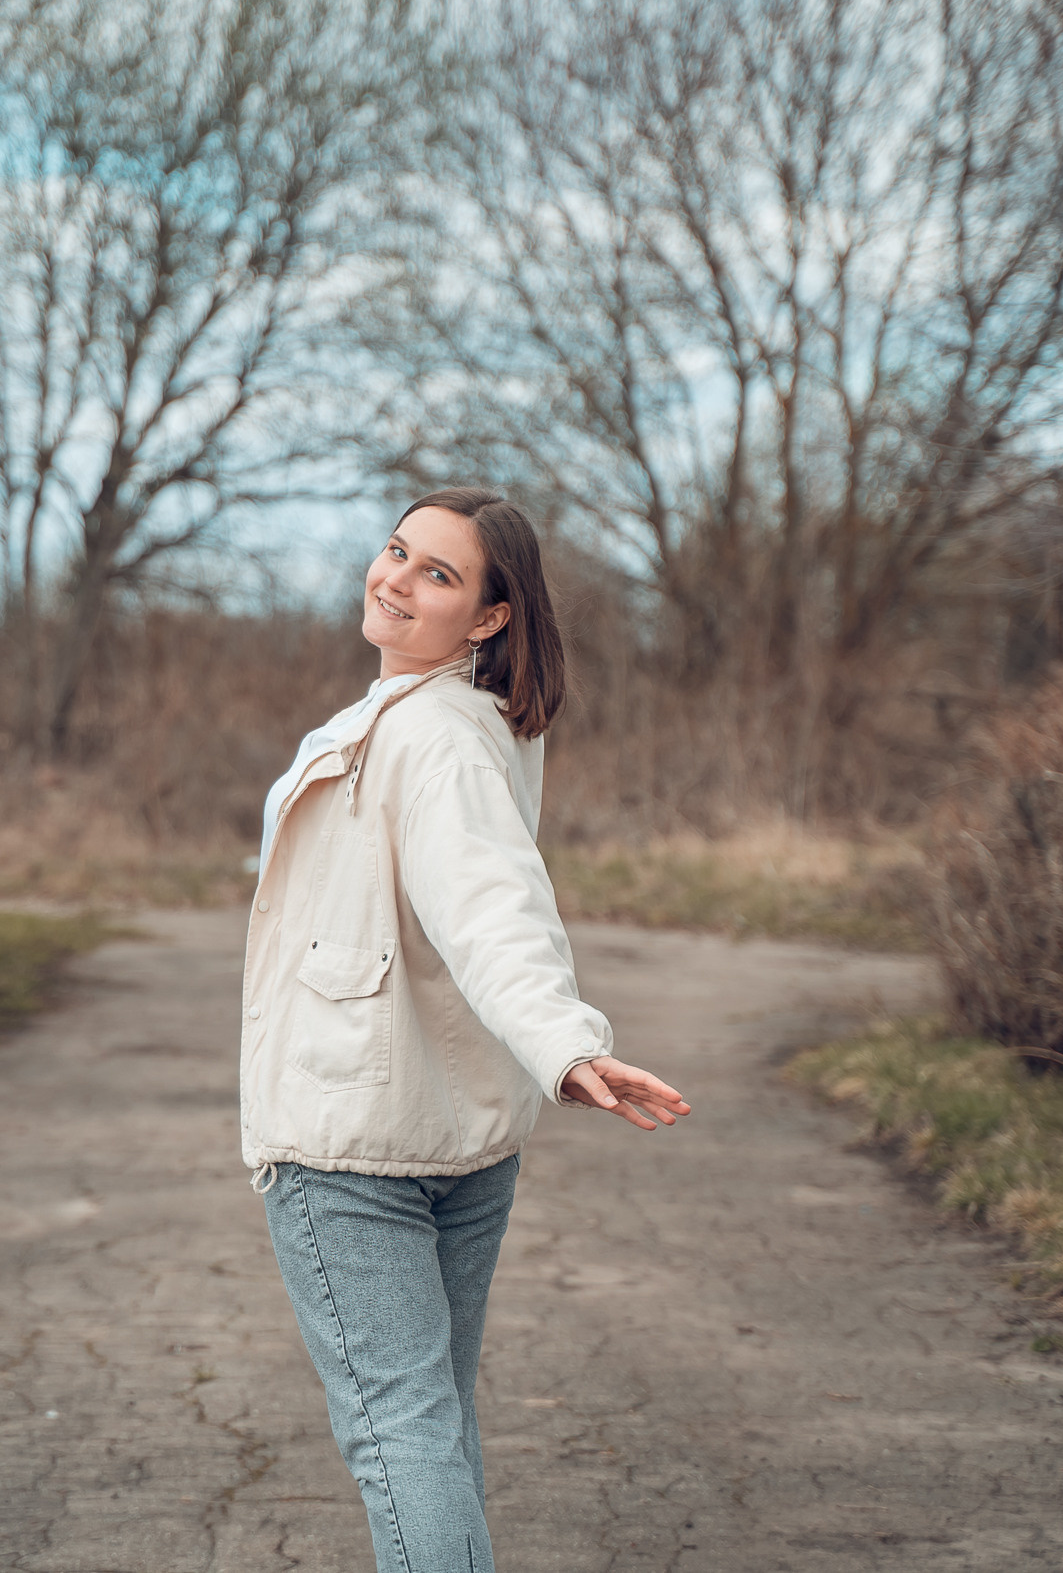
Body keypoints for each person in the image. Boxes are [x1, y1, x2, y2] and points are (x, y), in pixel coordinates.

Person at [242, 485, 690, 1572]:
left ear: (489, 616)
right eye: (397, 550)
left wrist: (564, 1043)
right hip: (449, 1138)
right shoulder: (453, 722)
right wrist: (558, 1047)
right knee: (429, 1424)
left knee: (402, 1429)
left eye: (436, 573)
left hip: (354, 1139)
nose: (395, 579)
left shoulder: (433, 737)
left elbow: (494, 913)